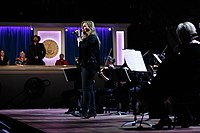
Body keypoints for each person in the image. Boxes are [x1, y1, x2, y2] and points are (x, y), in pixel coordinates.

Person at [140, 21, 200, 129]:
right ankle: (184, 117)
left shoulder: (186, 50)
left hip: (185, 85)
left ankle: (164, 118)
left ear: (182, 35)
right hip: (192, 84)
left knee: (151, 90)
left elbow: (174, 68)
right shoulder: (194, 47)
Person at [76, 20, 101, 119]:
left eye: (85, 26)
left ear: (91, 27)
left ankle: (84, 111)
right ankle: (92, 111)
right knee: (89, 90)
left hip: (89, 66)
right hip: (89, 65)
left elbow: (83, 47)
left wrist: (79, 40)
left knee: (86, 89)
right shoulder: (88, 38)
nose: (83, 29)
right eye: (82, 27)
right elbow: (84, 52)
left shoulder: (92, 38)